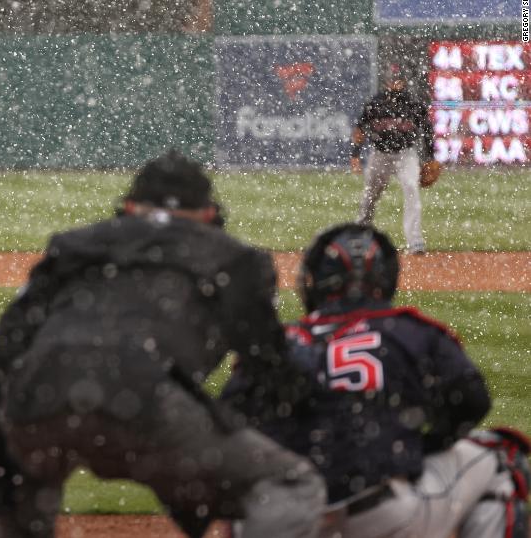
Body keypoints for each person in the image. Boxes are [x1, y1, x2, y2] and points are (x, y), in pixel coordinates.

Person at [0, 151, 324, 538]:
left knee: (18, 501)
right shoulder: (235, 258)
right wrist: (309, 407)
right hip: (144, 399)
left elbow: (9, 344)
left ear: (130, 206)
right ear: (207, 213)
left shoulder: (74, 245)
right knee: (291, 483)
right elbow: (266, 362)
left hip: (39, 395)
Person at [223, 223, 529, 537]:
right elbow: (473, 400)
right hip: (381, 518)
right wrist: (422, 446)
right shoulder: (407, 331)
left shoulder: (278, 344)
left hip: (279, 520)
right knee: (502, 456)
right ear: (385, 278)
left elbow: (225, 426)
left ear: (315, 283)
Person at [350, 66, 440, 254]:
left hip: (405, 155)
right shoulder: (376, 103)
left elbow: (427, 132)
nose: (395, 82)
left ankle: (415, 242)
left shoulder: (413, 104)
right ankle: (360, 234)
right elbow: (360, 129)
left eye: (398, 79)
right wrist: (355, 154)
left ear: (404, 82)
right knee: (370, 196)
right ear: (386, 82)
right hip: (379, 155)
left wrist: (429, 157)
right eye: (392, 79)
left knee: (411, 189)